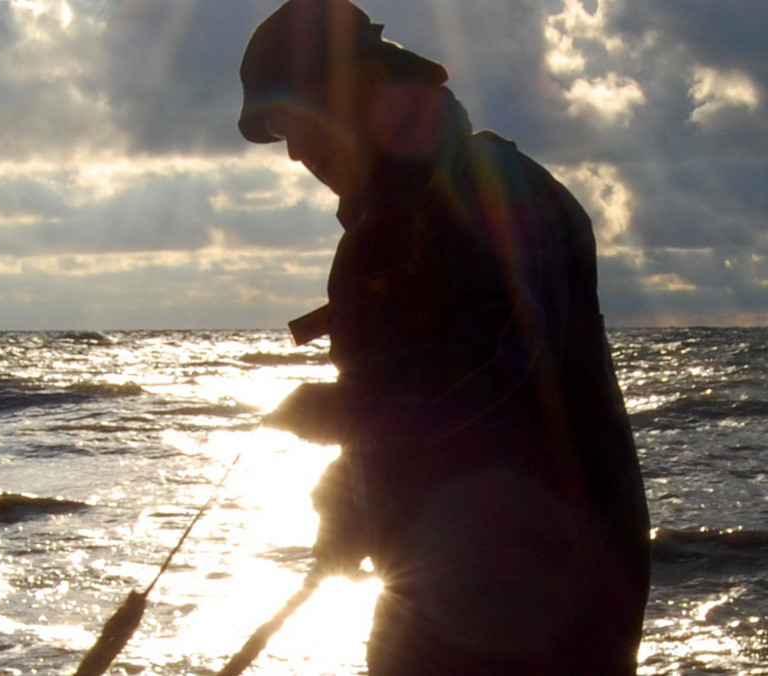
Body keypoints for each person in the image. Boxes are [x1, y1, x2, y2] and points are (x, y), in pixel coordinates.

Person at [238, 1, 651, 674]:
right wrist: (348, 506)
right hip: (436, 588)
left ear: (371, 87)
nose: (295, 151)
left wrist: (347, 411)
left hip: (552, 596)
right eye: (282, 130)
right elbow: (402, 418)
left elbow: (504, 361)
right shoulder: (382, 228)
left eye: (300, 118)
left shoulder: (498, 188)